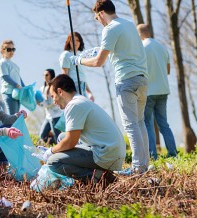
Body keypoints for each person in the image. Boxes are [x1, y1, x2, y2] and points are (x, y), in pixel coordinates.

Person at [70, 0, 149, 175]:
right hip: (142, 79)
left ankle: (137, 168)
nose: (98, 21)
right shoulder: (128, 24)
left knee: (130, 125)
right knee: (140, 122)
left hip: (126, 81)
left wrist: (79, 61)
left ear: (102, 13)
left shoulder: (110, 28)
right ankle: (144, 165)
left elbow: (99, 62)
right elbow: (123, 48)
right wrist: (100, 48)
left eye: (97, 17)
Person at [42, 74, 125, 183]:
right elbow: (68, 139)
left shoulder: (74, 105)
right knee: (62, 137)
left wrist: (50, 151)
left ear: (60, 91)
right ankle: (98, 172)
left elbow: (70, 142)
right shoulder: (80, 100)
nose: (53, 101)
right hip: (111, 150)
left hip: (106, 154)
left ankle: (99, 178)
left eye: (53, 96)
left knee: (53, 162)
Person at [137, 24, 177, 160]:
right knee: (164, 124)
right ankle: (173, 154)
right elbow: (168, 70)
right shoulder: (162, 47)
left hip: (148, 91)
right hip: (163, 90)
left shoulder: (141, 48)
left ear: (140, 34)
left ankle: (153, 156)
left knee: (148, 123)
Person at [59, 32, 94, 101]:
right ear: (69, 42)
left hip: (82, 86)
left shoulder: (79, 56)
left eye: (77, 40)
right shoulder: (66, 55)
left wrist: (89, 92)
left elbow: (82, 76)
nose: (75, 43)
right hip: (74, 86)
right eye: (72, 40)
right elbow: (65, 75)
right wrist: (68, 91)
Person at [0, 40, 25, 115]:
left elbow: (19, 78)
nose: (11, 51)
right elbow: (5, 77)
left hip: (17, 93)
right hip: (8, 92)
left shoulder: (14, 64)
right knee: (12, 117)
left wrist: (24, 87)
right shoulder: (2, 62)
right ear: (3, 51)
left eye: (13, 49)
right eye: (9, 49)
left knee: (15, 117)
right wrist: (16, 85)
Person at [37, 69, 62, 145]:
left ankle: (60, 150)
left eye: (47, 75)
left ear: (51, 75)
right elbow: (41, 101)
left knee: (58, 137)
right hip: (48, 116)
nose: (45, 77)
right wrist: (37, 102)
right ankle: (51, 142)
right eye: (44, 75)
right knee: (42, 135)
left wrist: (44, 104)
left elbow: (55, 101)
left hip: (56, 116)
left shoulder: (55, 87)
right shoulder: (42, 89)